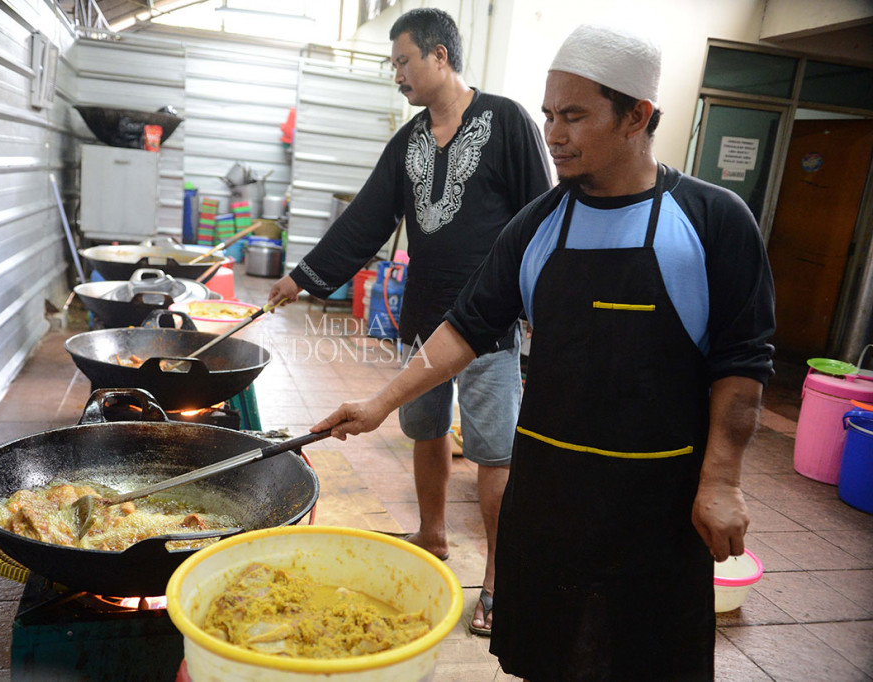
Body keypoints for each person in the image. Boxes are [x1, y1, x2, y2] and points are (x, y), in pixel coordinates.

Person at [312, 23, 776, 680]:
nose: (554, 133)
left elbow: (743, 363)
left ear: (637, 115)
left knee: (648, 662)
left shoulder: (711, 221)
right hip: (548, 500)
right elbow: (464, 329)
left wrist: (722, 480)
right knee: (546, 660)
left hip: (658, 508)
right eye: (549, 115)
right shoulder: (537, 224)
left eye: (575, 116)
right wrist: (379, 403)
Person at [267, 8, 552, 636]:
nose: (397, 74)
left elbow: (542, 217)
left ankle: (502, 581)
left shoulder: (506, 123)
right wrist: (303, 277)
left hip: (490, 325)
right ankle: (432, 534)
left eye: (402, 61)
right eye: (394, 63)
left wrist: (536, 309)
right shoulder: (407, 143)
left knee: (493, 454)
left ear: (440, 57)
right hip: (425, 320)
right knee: (425, 430)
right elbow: (365, 221)